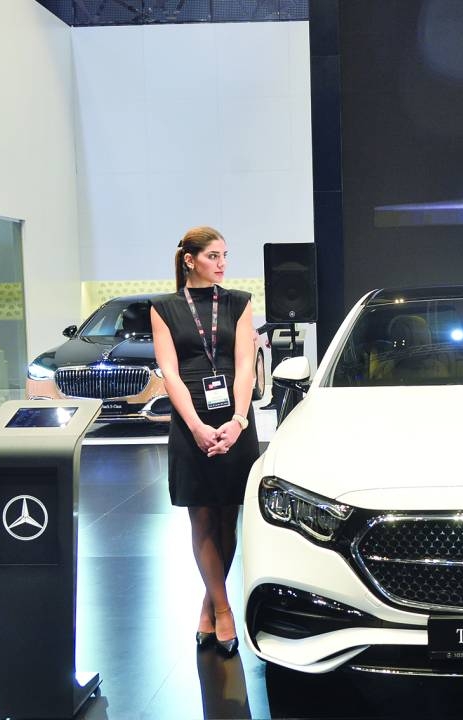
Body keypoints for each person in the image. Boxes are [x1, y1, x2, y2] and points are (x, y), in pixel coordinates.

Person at [149, 226, 260, 657]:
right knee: (201, 518)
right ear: (190, 260)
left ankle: (208, 605)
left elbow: (246, 367)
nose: (222, 263)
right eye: (214, 255)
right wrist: (195, 425)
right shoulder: (164, 307)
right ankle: (223, 607)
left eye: (226, 255)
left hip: (233, 419)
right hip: (189, 418)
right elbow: (170, 372)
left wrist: (237, 420)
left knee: (227, 515)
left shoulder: (239, 302)